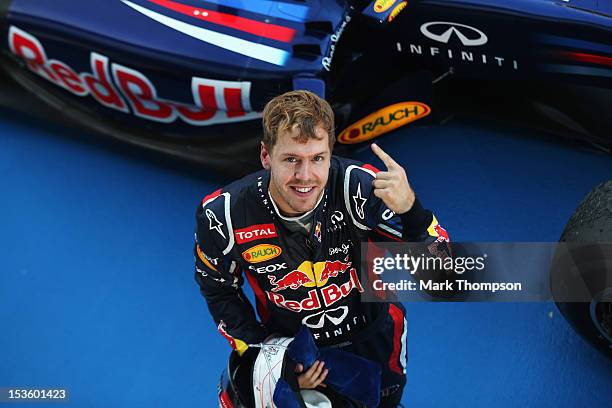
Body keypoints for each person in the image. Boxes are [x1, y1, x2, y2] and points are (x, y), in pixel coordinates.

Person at [194, 90, 450, 407]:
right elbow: (218, 290)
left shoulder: (360, 187)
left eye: (318, 158)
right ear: (265, 156)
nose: (306, 177)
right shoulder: (224, 214)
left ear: (331, 153)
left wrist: (412, 211)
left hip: (374, 339)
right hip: (296, 349)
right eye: (291, 160)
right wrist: (275, 362)